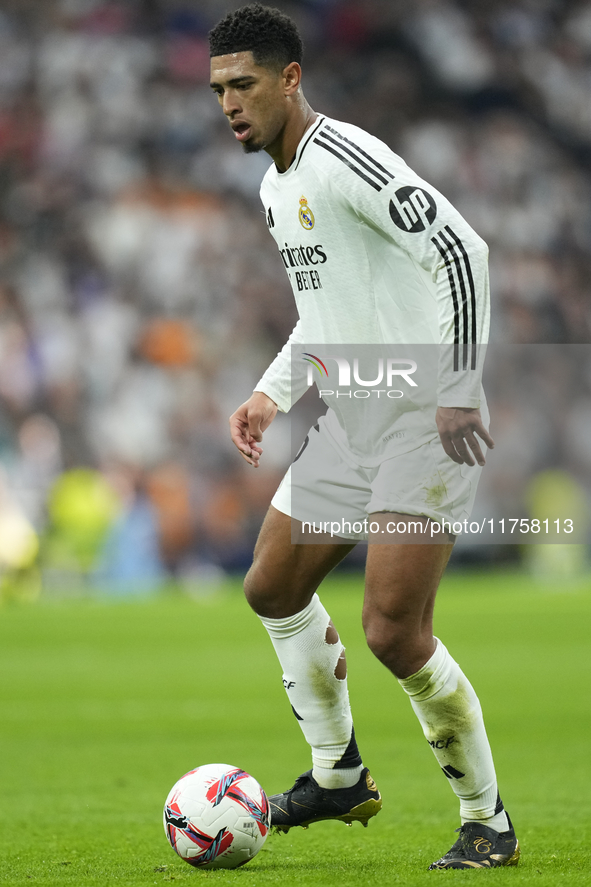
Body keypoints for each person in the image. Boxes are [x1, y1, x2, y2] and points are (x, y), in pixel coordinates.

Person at [208, 3, 519, 871]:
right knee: (270, 585)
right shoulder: (275, 185)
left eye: (244, 85)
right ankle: (337, 774)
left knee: (392, 632)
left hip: (427, 418)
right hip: (353, 416)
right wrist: (271, 394)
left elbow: (464, 251)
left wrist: (458, 386)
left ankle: (485, 819)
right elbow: (324, 311)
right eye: (219, 90)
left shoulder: (346, 157)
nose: (229, 103)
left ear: (290, 79)